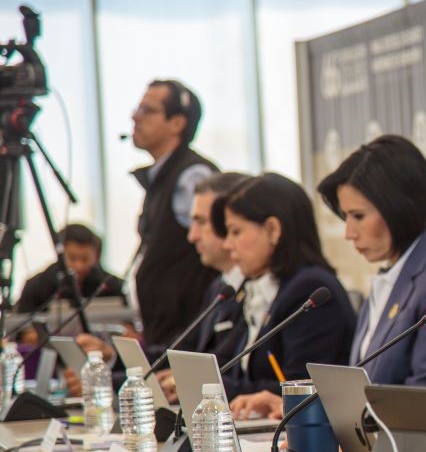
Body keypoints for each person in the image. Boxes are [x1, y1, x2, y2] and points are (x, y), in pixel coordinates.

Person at [317, 135, 426, 391]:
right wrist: (306, 405)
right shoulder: (392, 274)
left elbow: (423, 399)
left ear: (398, 207)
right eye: (345, 217)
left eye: (358, 216)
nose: (348, 232)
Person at [216, 174, 355, 407]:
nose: (227, 244)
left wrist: (216, 389)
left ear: (273, 230)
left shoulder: (310, 290)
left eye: (236, 231)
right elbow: (233, 367)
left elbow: (301, 388)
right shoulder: (262, 288)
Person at [129, 79, 218, 349]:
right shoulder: (162, 176)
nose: (135, 116)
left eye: (147, 110)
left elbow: (217, 249)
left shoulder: (193, 176)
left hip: (187, 334)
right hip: (165, 332)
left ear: (177, 123)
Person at [156, 172, 250, 403]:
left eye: (201, 222)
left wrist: (189, 381)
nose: (192, 236)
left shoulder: (257, 292)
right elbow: (182, 353)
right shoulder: (219, 287)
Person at [15, 223, 125, 315]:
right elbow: (23, 332)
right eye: (73, 258)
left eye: (85, 259)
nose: (79, 266)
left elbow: (130, 328)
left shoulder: (110, 285)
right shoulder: (37, 286)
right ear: (60, 254)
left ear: (95, 256)